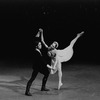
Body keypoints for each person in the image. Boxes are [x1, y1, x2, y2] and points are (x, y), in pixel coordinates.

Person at [25, 29, 50, 96]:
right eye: (39, 44)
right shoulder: (36, 52)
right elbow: (42, 61)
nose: (41, 45)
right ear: (37, 46)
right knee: (32, 78)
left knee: (47, 73)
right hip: (37, 67)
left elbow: (36, 38)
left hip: (39, 66)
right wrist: (49, 66)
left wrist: (39, 32)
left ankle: (43, 87)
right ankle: (27, 92)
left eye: (40, 44)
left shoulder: (37, 49)